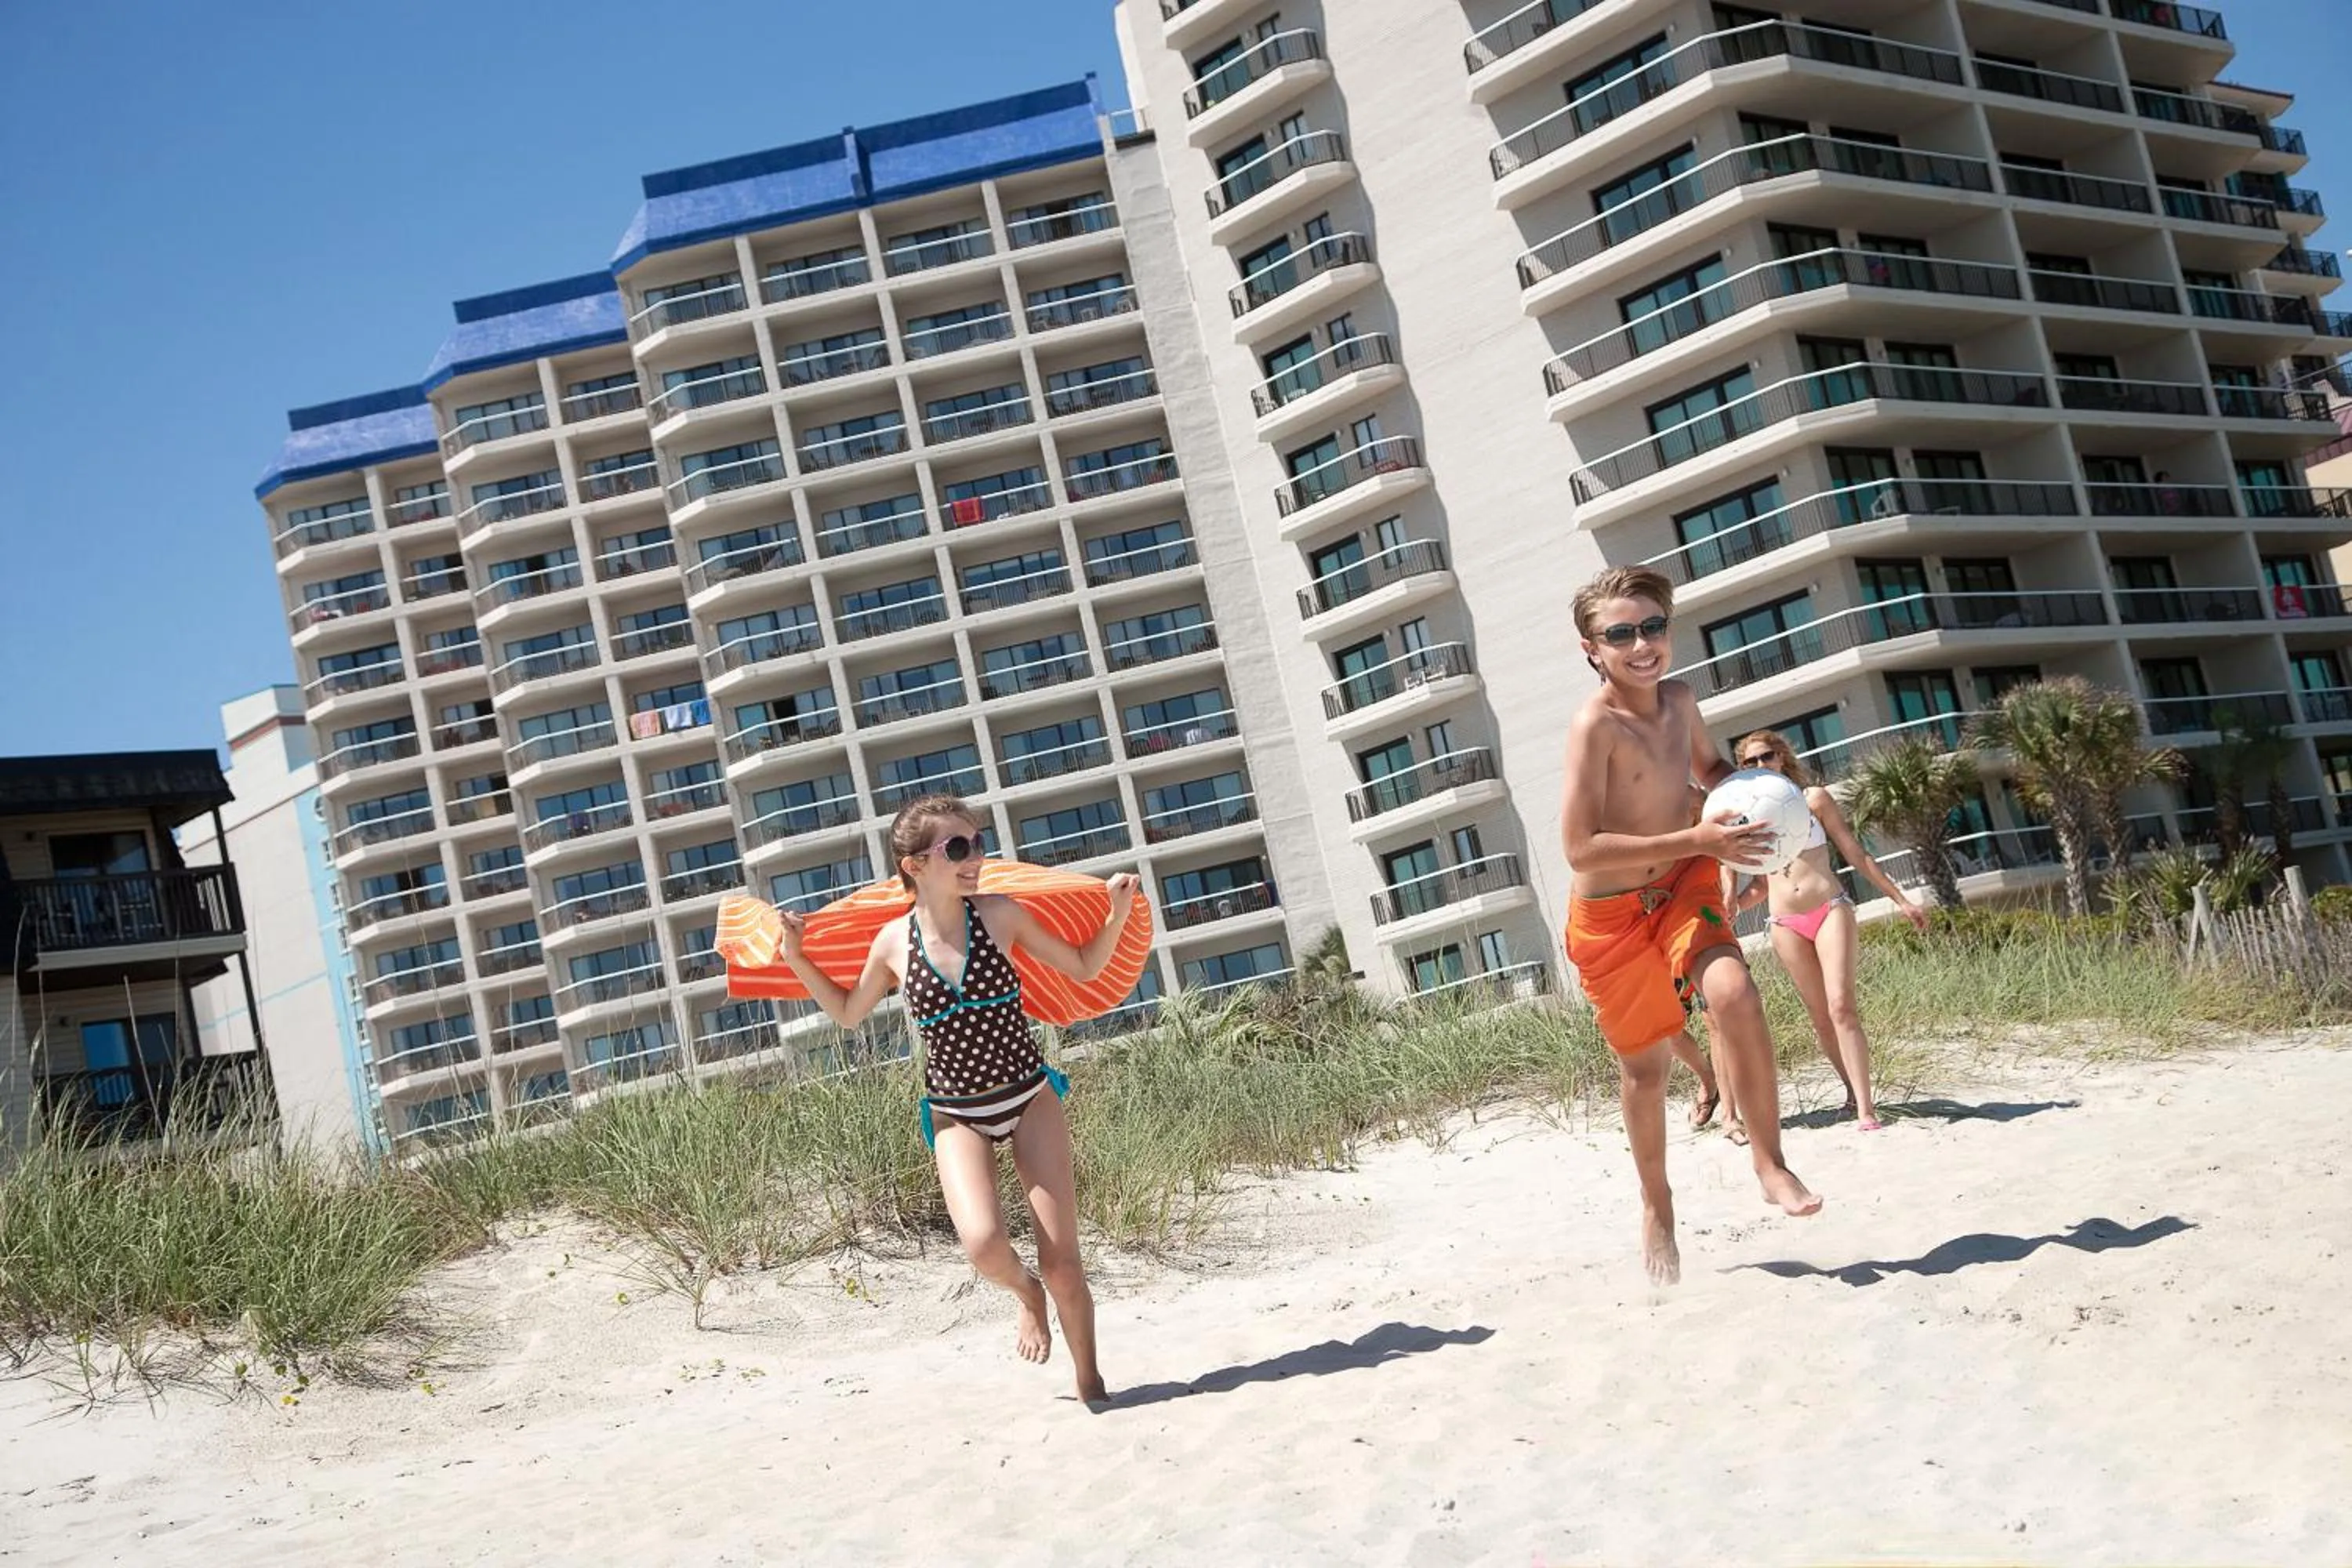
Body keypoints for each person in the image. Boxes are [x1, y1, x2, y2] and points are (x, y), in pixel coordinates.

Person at [775, 793, 1136, 1406]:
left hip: (1028, 1095)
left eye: (978, 842)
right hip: (955, 1113)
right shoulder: (893, 943)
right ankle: (1027, 1297)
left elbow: (1081, 966)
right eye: (959, 847)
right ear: (915, 865)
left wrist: (1117, 916)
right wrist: (795, 958)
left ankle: (1090, 1383)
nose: (975, 858)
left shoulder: (1000, 915)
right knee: (983, 1245)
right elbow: (846, 1013)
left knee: (1065, 1264)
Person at [1559, 566, 1820, 1286]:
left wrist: (1769, 809)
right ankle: (1657, 1203)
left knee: (1735, 994)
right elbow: (1580, 847)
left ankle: (1769, 1161)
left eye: (1653, 627)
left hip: (1683, 885)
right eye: (1622, 634)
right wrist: (1697, 841)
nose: (1642, 644)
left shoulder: (1678, 699)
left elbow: (1709, 770)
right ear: (1591, 648)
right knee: (1644, 1074)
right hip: (1610, 916)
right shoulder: (1595, 727)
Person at [1726, 729, 1929, 1134]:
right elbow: (1759, 884)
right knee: (1820, 1017)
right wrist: (1729, 904)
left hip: (1829, 908)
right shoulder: (1750, 819)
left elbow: (1856, 853)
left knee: (1841, 1007)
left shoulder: (1813, 800)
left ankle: (1866, 1109)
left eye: (1766, 757)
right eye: (1749, 763)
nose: (1759, 766)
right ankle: (1851, 1090)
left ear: (1781, 757)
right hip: (1784, 922)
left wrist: (1901, 899)